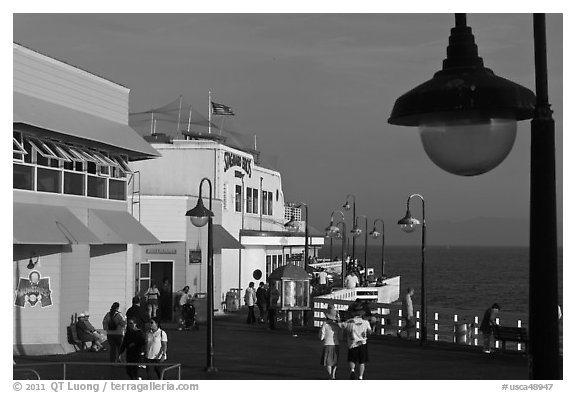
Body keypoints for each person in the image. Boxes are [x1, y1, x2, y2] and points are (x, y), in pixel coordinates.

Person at [342, 302, 372, 380]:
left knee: (352, 359)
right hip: (363, 343)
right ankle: (361, 376)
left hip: (352, 343)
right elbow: (370, 331)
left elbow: (342, 327)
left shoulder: (349, 322)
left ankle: (352, 370)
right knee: (362, 362)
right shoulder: (365, 322)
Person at [319, 306, 342, 379]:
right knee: (335, 361)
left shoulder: (325, 325)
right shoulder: (338, 326)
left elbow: (321, 336)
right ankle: (333, 374)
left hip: (327, 344)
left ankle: (330, 375)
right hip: (336, 344)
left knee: (328, 363)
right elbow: (340, 336)